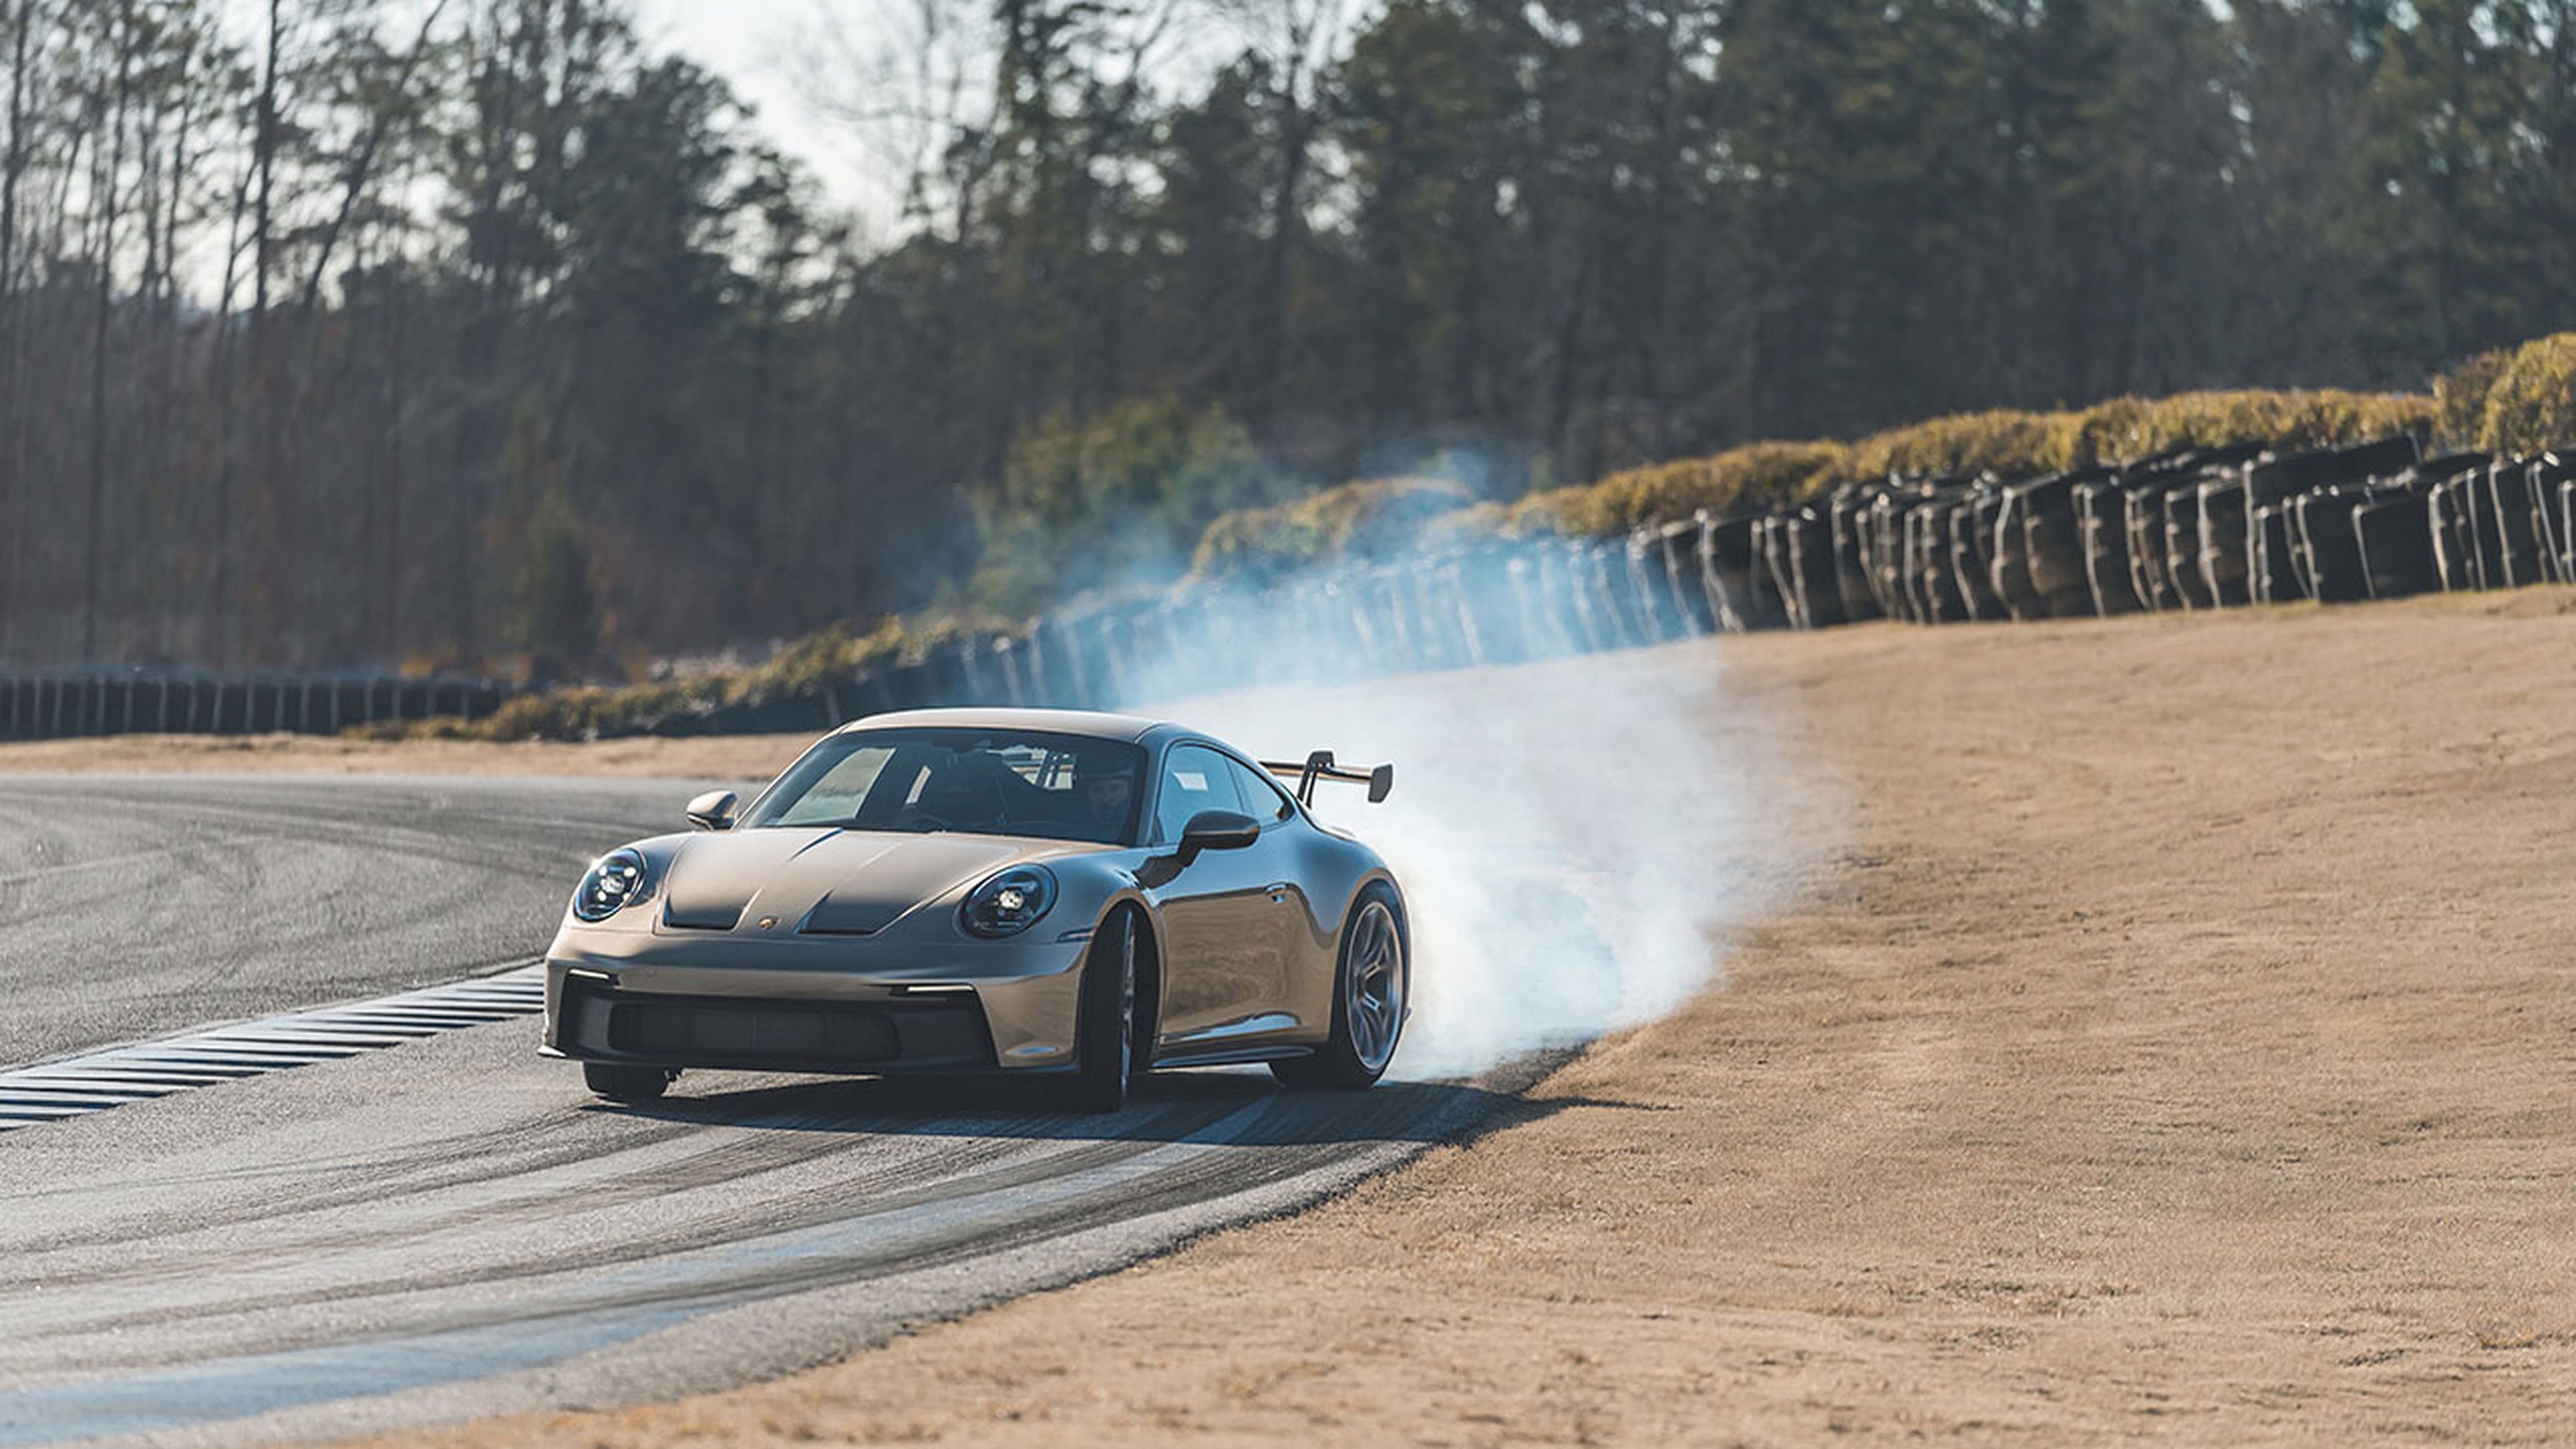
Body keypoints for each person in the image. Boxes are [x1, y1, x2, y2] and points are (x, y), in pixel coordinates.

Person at [1075, 753, 1136, 839]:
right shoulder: (1065, 827)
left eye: (1115, 789)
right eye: (1098, 790)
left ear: (1130, 791)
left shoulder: (1144, 827)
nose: (1106, 799)